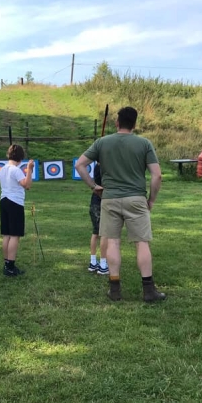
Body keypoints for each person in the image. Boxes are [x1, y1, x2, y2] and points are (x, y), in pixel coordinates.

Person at [75, 106, 165, 302]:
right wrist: (151, 199)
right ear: (135, 124)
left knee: (113, 242)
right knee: (142, 243)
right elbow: (157, 175)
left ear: (117, 123)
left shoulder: (102, 142)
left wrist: (93, 186)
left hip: (109, 198)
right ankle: (149, 291)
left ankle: (115, 289)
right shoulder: (144, 143)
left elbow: (79, 165)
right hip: (136, 199)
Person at [0, 145, 34, 276]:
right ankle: (11, 266)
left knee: (7, 234)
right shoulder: (16, 170)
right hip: (15, 202)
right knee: (15, 235)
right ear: (20, 158)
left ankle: (7, 264)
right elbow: (27, 185)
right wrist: (29, 169)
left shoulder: (2, 169)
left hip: (4, 201)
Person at [88, 162, 108, 275]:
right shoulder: (104, 167)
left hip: (95, 203)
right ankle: (103, 265)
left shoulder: (97, 167)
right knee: (104, 234)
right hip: (102, 203)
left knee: (96, 233)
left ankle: (93, 262)